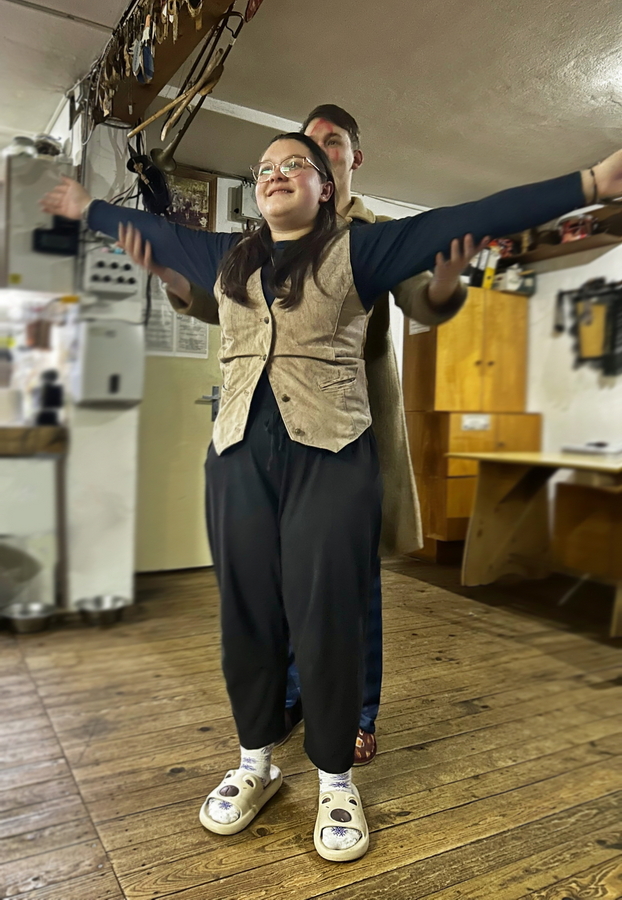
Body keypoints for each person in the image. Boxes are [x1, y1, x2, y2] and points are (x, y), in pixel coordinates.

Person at [42, 137, 620, 862]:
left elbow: (471, 215)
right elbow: (151, 232)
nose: (275, 175)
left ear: (326, 188)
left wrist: (592, 181)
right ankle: (255, 761)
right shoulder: (228, 255)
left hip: (333, 455)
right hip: (236, 457)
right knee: (247, 612)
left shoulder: (362, 248)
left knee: (328, 615)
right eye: (264, 169)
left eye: (295, 165)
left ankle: (335, 777)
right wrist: (86, 208)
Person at [164, 104, 464, 766]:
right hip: (268, 428)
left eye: (330, 143)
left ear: (352, 160)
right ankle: (293, 700)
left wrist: (446, 283)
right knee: (279, 575)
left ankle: (356, 712)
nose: (316, 150)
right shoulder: (266, 237)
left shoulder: (374, 235)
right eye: (307, 143)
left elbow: (423, 299)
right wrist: (175, 281)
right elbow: (226, 307)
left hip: (350, 420)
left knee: (348, 582)